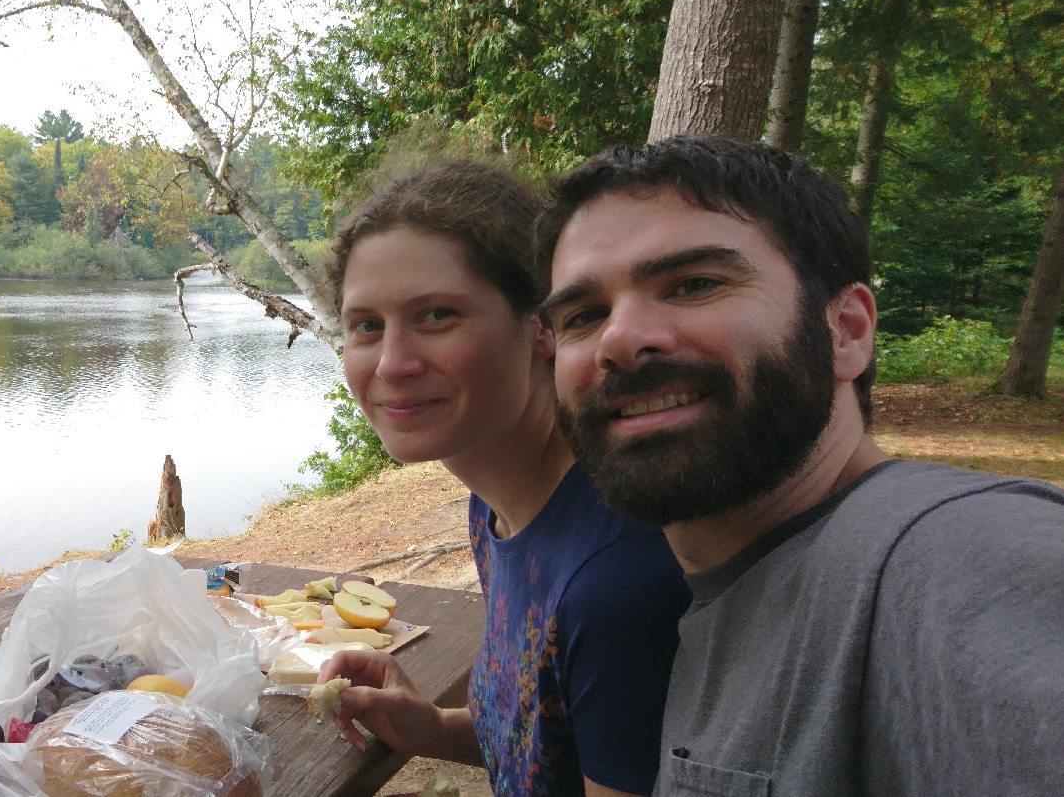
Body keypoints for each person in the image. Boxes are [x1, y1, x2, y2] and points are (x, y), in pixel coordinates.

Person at [536, 134, 1064, 795]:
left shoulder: (959, 561)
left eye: (694, 283)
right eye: (584, 315)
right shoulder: (730, 591)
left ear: (844, 331)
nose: (618, 338)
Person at [316, 160, 691, 797]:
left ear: (541, 325)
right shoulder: (496, 510)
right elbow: (554, 747)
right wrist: (436, 728)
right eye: (367, 326)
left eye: (436, 315)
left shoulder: (617, 579)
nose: (393, 363)